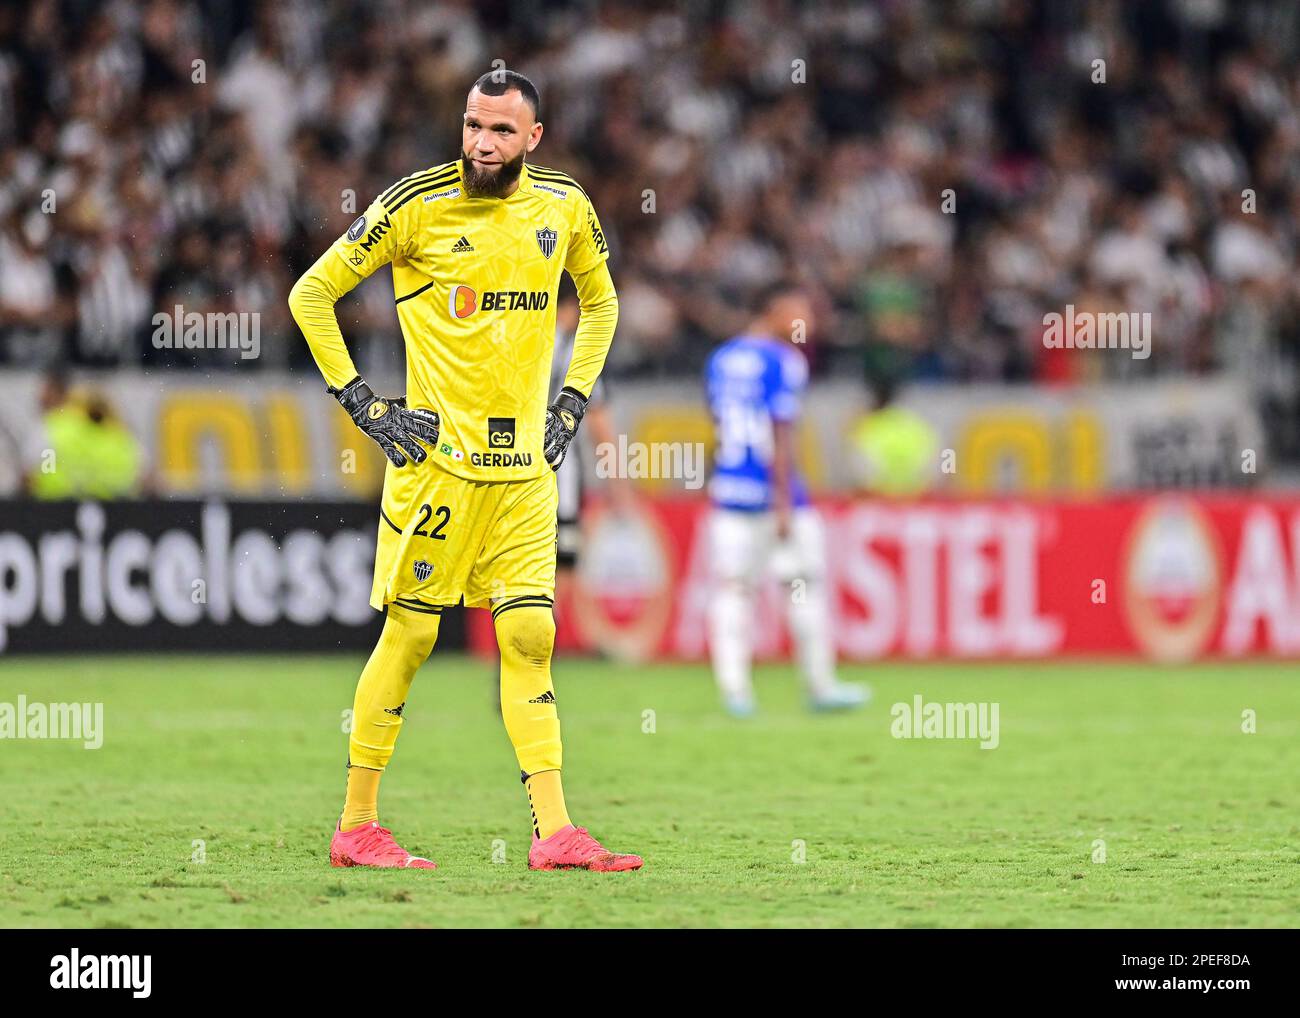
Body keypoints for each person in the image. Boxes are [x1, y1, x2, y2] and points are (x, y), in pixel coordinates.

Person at [288, 70, 641, 872]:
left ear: (534, 139)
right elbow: (312, 294)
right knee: (411, 635)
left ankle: (554, 832)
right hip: (437, 469)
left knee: (529, 633)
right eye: (474, 126)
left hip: (525, 473)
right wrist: (367, 407)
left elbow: (604, 301)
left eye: (502, 132)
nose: (483, 144)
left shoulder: (564, 207)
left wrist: (573, 401)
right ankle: (356, 825)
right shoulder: (415, 205)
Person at [705, 283, 868, 717]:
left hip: (728, 492)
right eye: (800, 312)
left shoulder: (721, 359)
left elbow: (720, 425)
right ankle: (820, 685)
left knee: (733, 593)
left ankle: (735, 691)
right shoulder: (783, 360)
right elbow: (779, 433)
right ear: (773, 310)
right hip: (776, 498)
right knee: (802, 588)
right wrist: (781, 502)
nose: (807, 323)